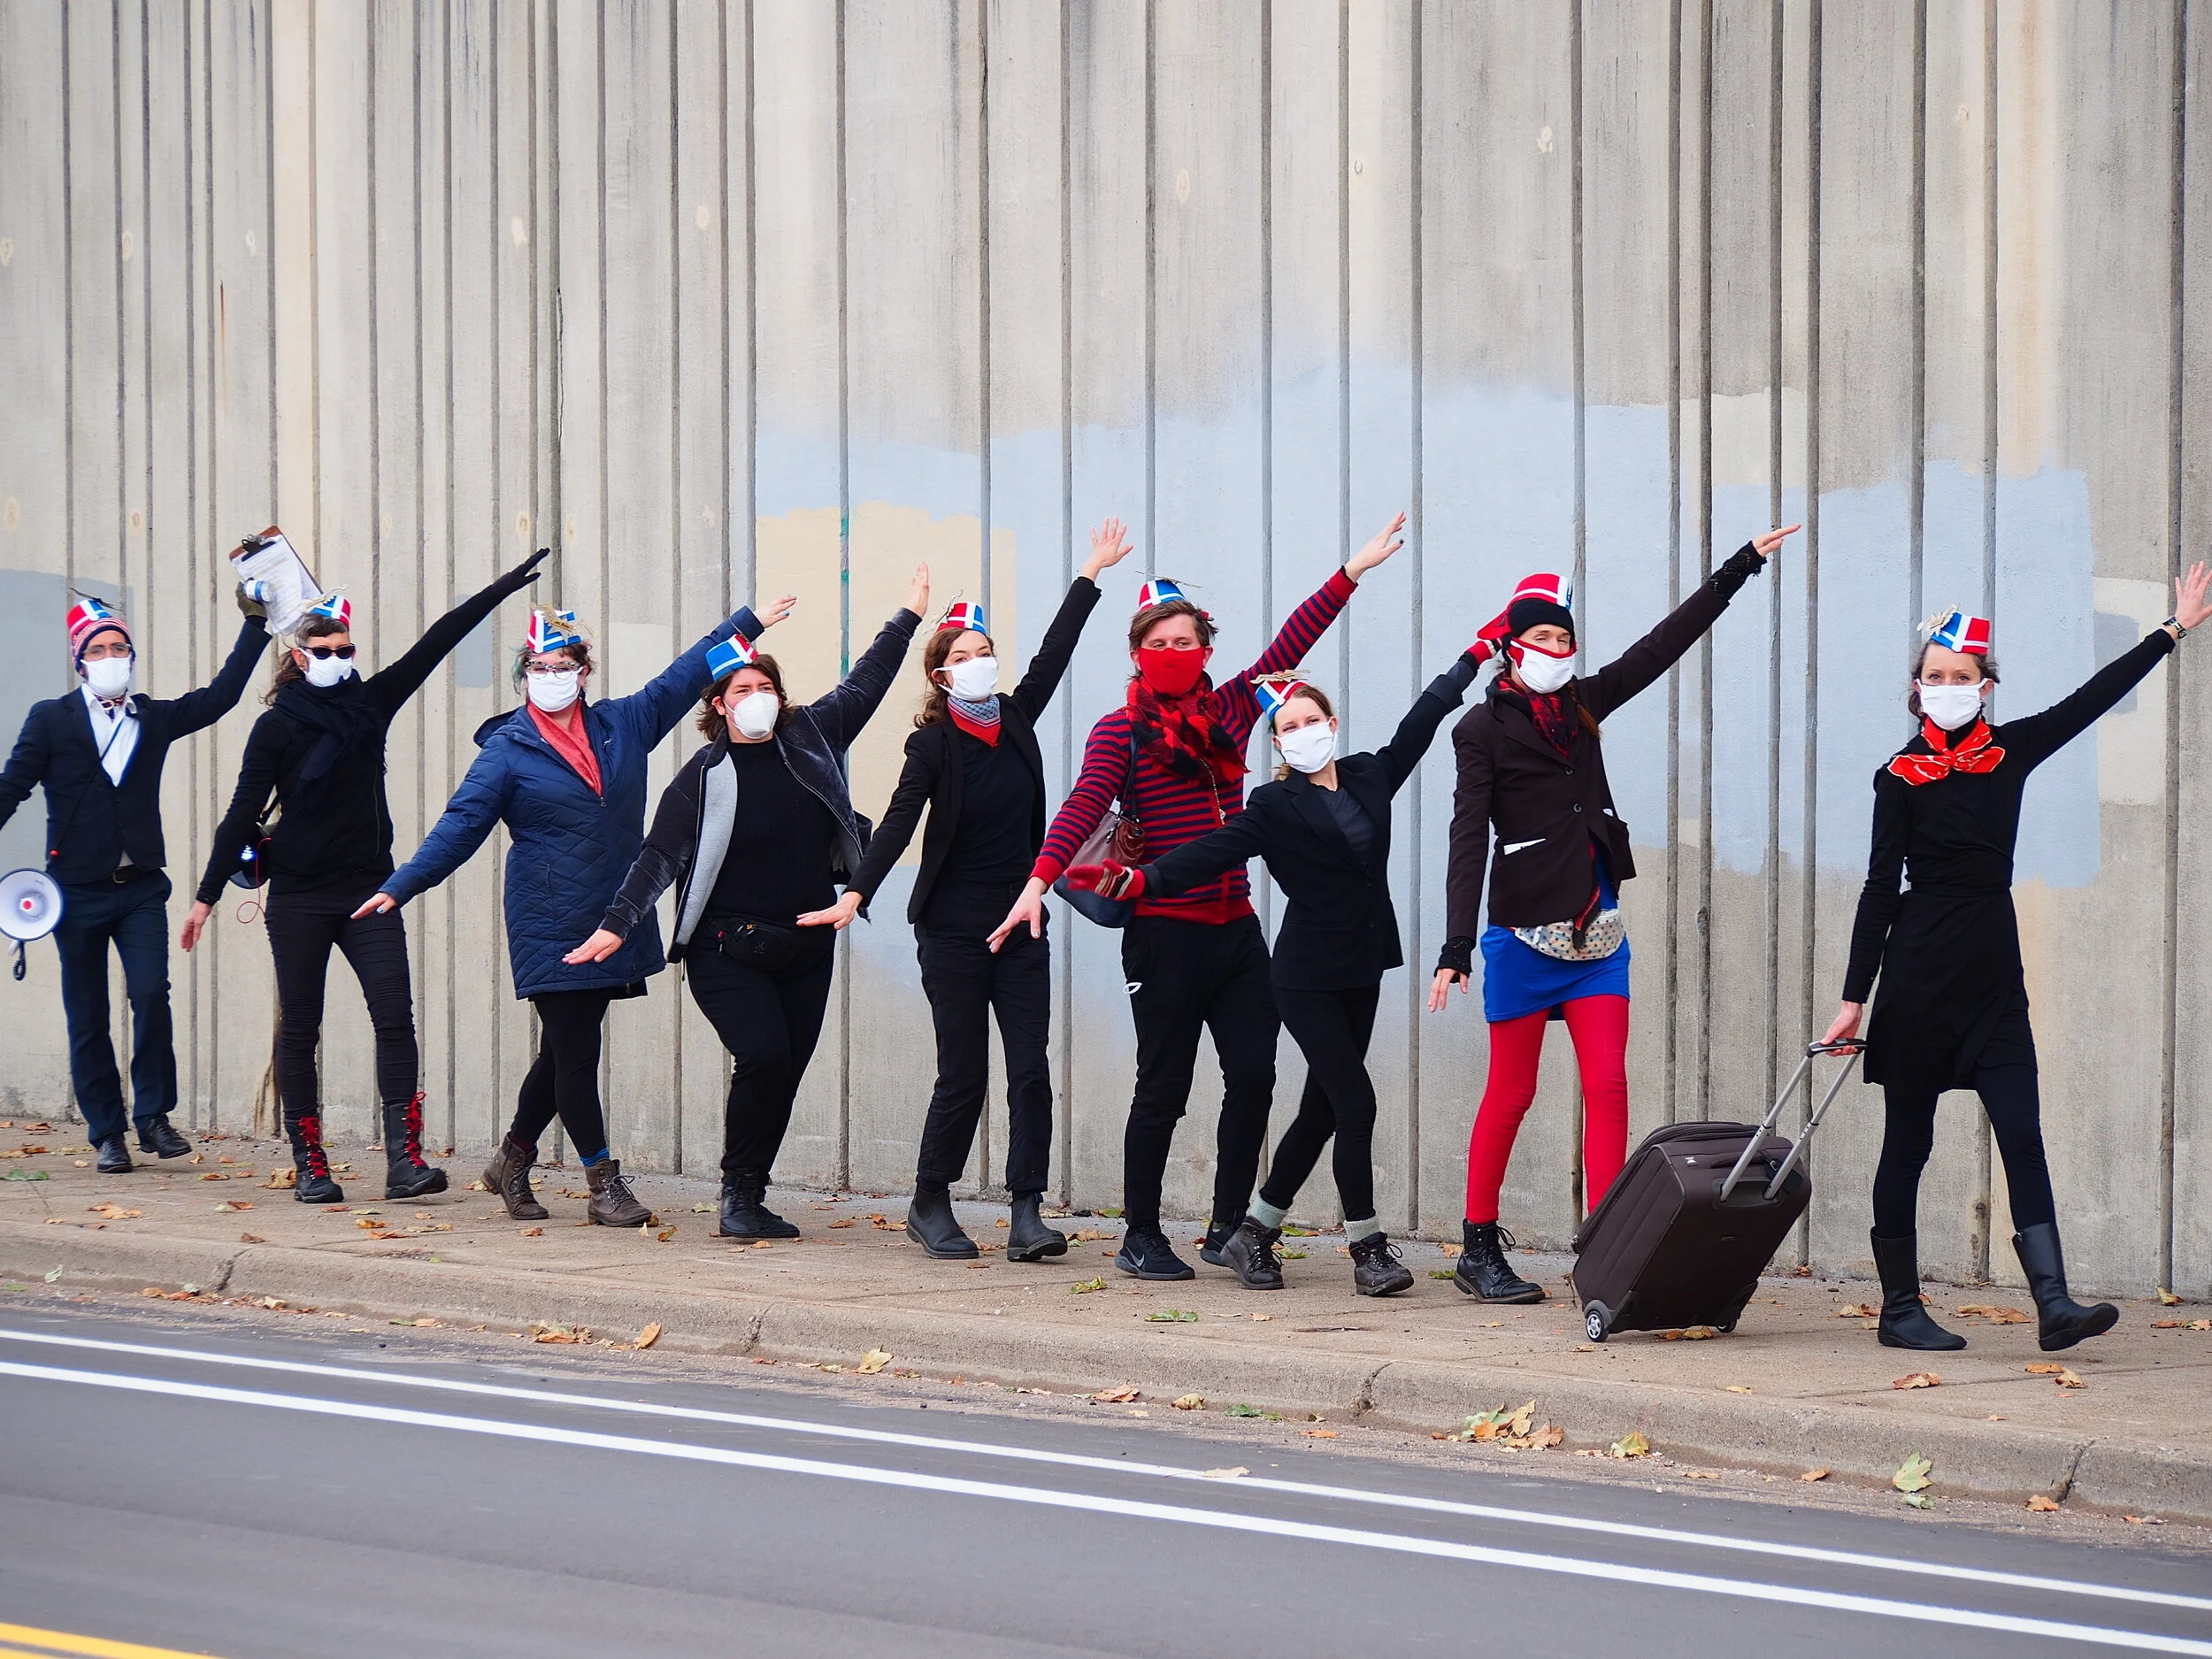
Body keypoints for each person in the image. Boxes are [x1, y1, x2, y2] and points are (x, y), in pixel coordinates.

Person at [990, 518, 1403, 1283]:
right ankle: (1140, 1233)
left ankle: (1227, 1226)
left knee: (1254, 1076)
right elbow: (1083, 807)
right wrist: (1037, 883)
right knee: (1164, 1088)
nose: (1175, 654)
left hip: (1237, 930)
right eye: (1161, 642)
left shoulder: (1235, 710)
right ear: (1138, 652)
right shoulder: (1121, 732)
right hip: (1164, 934)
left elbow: (1291, 644)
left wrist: (1352, 569)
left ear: (1206, 650)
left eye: (1188, 642)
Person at [1820, 572, 2209, 1354]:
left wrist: (2172, 630)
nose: (1947, 687)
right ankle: (1900, 1309)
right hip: (1919, 977)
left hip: (1994, 979)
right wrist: (1853, 997)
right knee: (1909, 1144)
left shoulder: (2012, 751)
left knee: (2022, 1133)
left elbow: (2093, 697)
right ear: (1916, 687)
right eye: (1935, 677)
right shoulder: (1897, 777)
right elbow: (1877, 888)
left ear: (1985, 687)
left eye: (1961, 678)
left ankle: (2055, 1303)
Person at [1431, 527, 1796, 1302]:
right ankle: (1477, 1246)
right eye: (1542, 637)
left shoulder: (1584, 703)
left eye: (1565, 636)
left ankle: (1608, 1248)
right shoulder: (1479, 728)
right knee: (1513, 1091)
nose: (1556, 648)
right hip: (1523, 932)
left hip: (1597, 930)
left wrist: (1738, 568)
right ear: (1510, 646)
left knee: (1608, 1083)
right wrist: (1457, 943)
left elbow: (1660, 647)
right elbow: (1468, 836)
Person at [351, 592, 794, 1225]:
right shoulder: (507, 748)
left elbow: (687, 674)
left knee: (563, 1050)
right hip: (547, 915)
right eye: (539, 666)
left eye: (563, 666)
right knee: (577, 1047)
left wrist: (745, 624)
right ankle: (601, 1182)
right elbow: (462, 823)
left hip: (613, 912)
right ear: (524, 675)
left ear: (584, 673)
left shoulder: (624, 723)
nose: (551, 677)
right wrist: (404, 883)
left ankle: (511, 1159)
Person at [1064, 647, 1487, 1294]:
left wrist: (1469, 661)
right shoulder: (1271, 803)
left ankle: (1253, 1230)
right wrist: (1142, 877)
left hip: (1363, 966)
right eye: (1286, 727)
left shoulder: (1371, 774)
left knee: (1321, 1111)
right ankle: (1368, 1247)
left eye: (1309, 719)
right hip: (1303, 975)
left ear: (1332, 723)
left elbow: (1421, 721)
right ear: (1278, 742)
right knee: (1357, 1101)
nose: (1299, 731)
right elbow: (1210, 851)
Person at [566, 567, 931, 1240]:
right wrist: (617, 927)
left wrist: (907, 616)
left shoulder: (811, 739)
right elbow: (657, 859)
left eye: (767, 687)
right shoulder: (701, 777)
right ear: (721, 707)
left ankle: (753, 1193)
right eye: (744, 689)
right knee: (761, 1055)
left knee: (784, 1071)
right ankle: (735, 1194)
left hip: (806, 939)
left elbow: (867, 683)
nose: (758, 697)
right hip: (725, 946)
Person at [185, 549, 550, 1203]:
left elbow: (434, 643)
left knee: (394, 1017)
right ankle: (311, 1164)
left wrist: (498, 590)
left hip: (368, 889)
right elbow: (241, 814)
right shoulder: (275, 729)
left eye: (344, 646)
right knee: (300, 1027)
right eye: (322, 648)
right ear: (298, 656)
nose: (336, 656)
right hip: (297, 895)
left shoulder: (371, 704)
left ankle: (404, 1161)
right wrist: (206, 896)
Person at [819, 524, 1135, 1262]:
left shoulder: (1017, 718)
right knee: (963, 1071)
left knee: (1030, 1068)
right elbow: (898, 822)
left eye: (983, 653)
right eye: (959, 658)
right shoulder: (932, 745)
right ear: (939, 676)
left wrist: (1089, 571)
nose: (975, 664)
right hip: (954, 931)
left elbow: (1055, 651)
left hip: (1020, 923)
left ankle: (1027, 1210)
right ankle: (931, 1200)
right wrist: (856, 893)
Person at [0, 584, 271, 1173]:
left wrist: (257, 625)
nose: (111, 656)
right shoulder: (51, 719)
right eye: (99, 649)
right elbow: (10, 788)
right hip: (74, 892)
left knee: (151, 992)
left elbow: (220, 697)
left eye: (119, 646)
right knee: (88, 1012)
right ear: (80, 659)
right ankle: (107, 1131)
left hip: (141, 887)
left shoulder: (151, 716)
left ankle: (153, 1116)